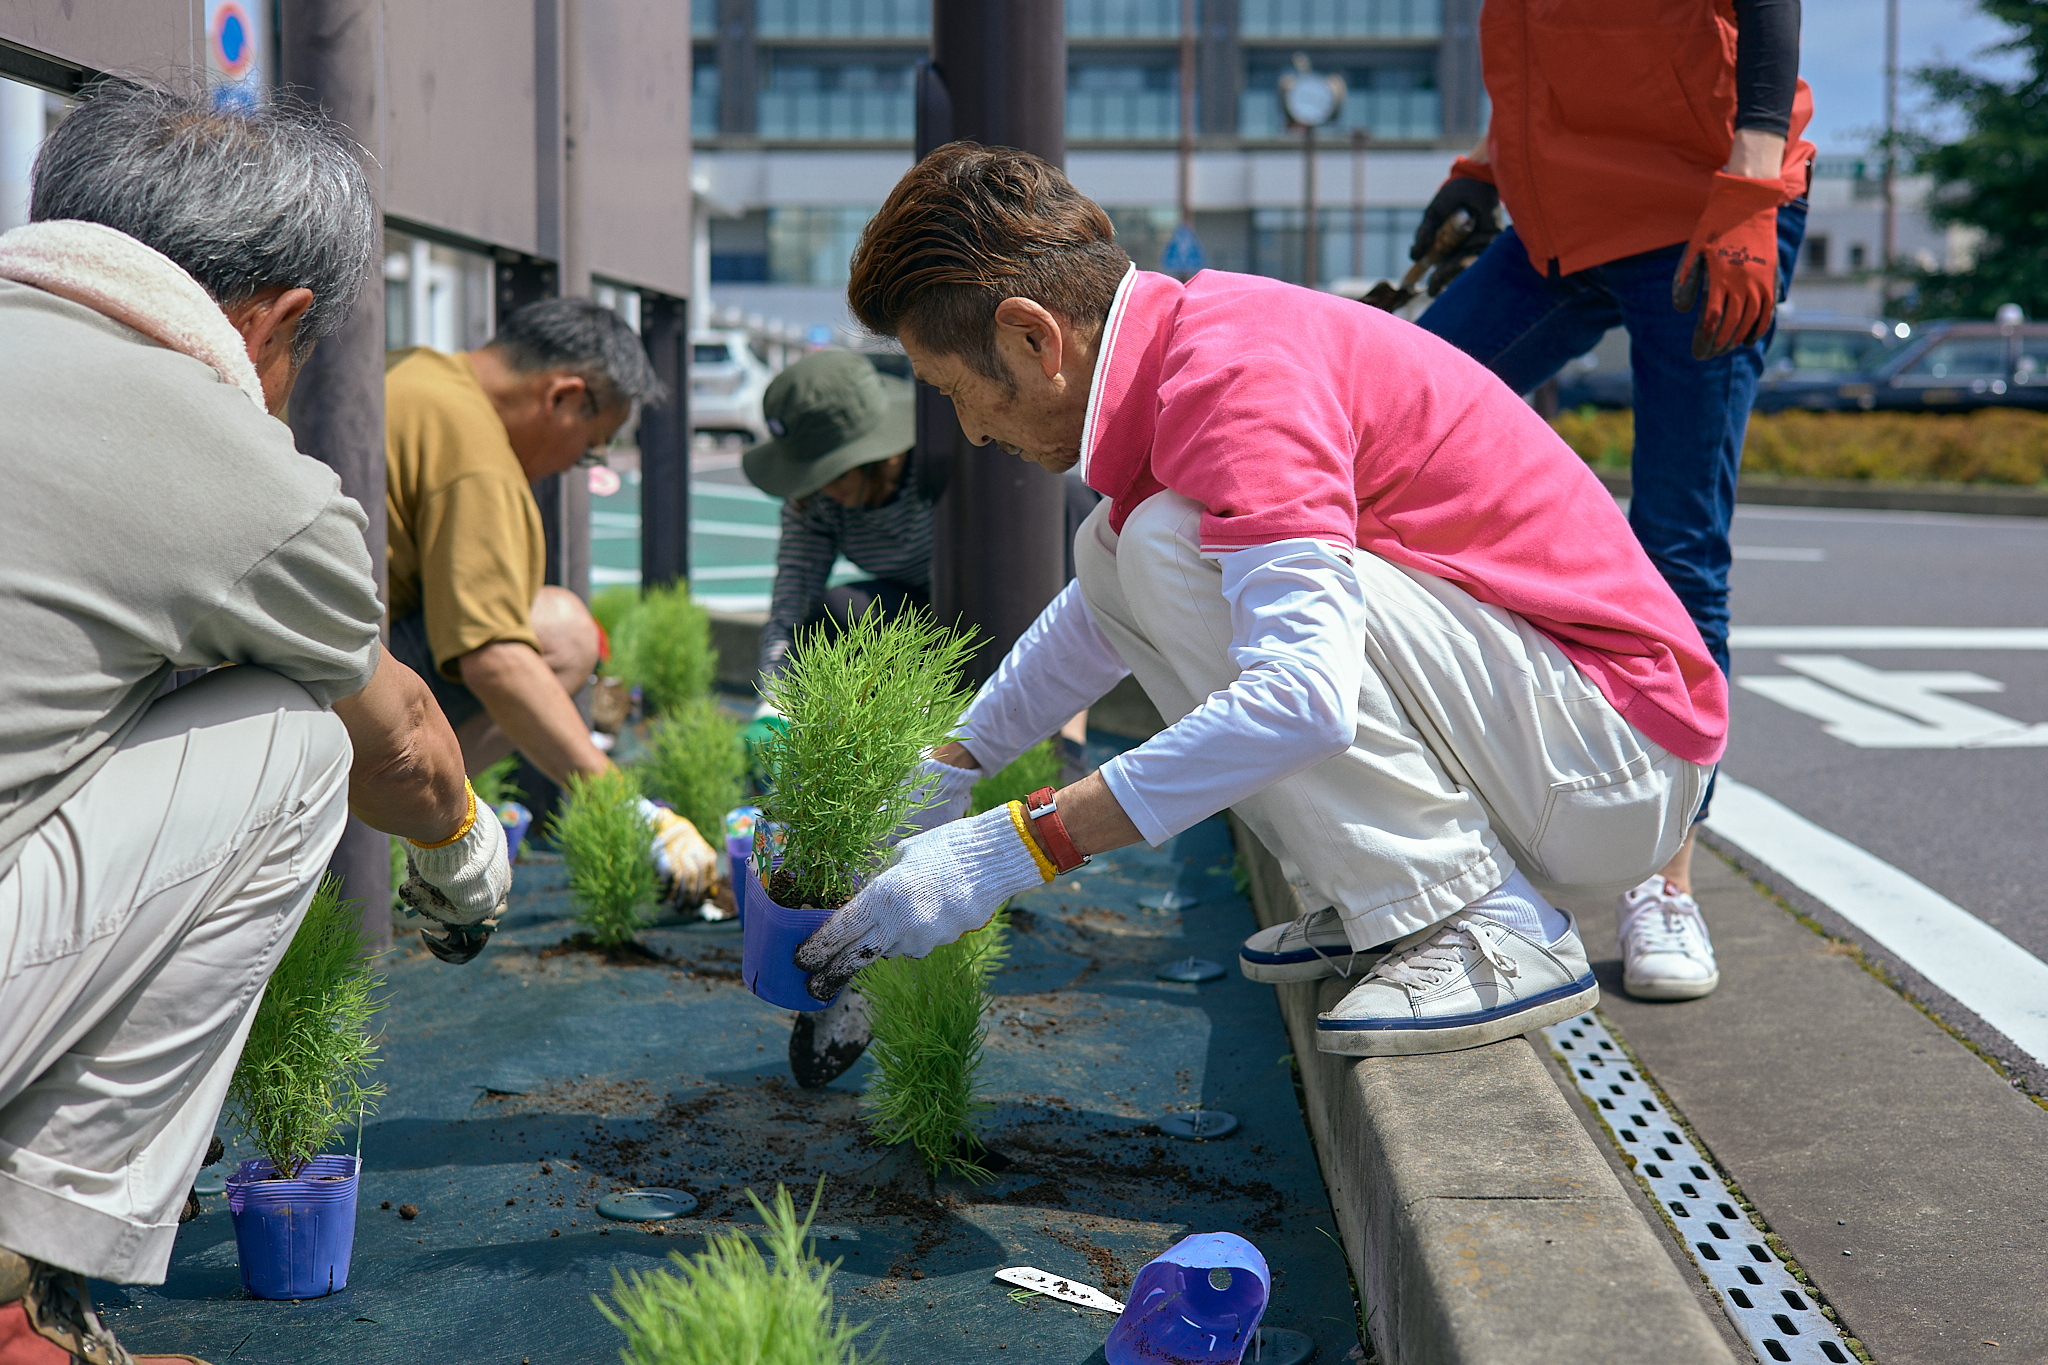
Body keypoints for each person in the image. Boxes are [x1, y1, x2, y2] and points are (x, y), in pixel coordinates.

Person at [792, 143, 1725, 1063]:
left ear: (1034, 338)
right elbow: (1098, 611)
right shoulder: (1193, 351)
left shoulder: (1237, 378)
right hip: (1552, 736)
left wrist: (1012, 849)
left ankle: (1474, 917)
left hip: (1614, 756)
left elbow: (1304, 697)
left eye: (958, 393)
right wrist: (950, 767)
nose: (973, 430)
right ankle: (1381, 899)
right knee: (1122, 546)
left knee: (1162, 542)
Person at [0, 85, 507, 1364]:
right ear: (279, 319)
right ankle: (20, 1294)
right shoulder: (224, 457)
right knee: (295, 735)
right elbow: (396, 744)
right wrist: (462, 850)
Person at [1410, 0, 1814, 1001]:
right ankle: (1431, 840)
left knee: (1675, 546)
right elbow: (1540, 43)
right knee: (1391, 429)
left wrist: (1751, 186)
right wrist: (1482, 168)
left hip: (1703, 207)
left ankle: (1662, 879)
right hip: (1554, 222)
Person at [385, 299, 716, 901]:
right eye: (591, 445)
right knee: (562, 634)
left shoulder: (417, 369)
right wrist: (628, 806)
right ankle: (409, 811)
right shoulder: (476, 453)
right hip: (325, 688)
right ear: (562, 397)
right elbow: (495, 659)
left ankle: (398, 805)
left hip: (279, 651)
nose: (574, 466)